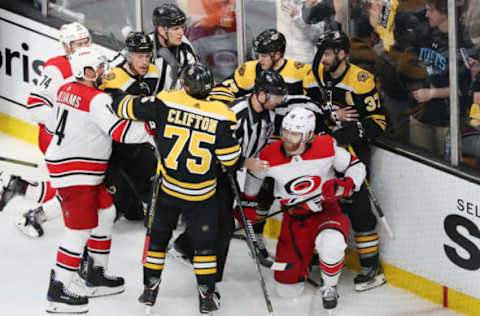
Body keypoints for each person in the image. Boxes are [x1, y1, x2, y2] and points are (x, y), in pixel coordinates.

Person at [109, 63, 242, 315]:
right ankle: (206, 295)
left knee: (158, 241)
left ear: (186, 85)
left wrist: (113, 88)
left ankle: (149, 290)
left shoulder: (166, 100)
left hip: (167, 190)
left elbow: (125, 108)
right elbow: (231, 160)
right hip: (201, 195)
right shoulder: (223, 114)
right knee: (204, 247)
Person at [44, 47, 153, 313]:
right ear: (87, 72)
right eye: (99, 68)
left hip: (74, 165)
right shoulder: (96, 99)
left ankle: (95, 274)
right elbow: (121, 132)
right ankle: (58, 289)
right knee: (79, 230)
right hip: (77, 171)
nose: (104, 71)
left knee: (106, 212)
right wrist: (153, 126)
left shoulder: (67, 88)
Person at [243, 107, 366, 311]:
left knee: (333, 243)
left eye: (295, 134)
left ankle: (330, 287)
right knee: (286, 290)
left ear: (309, 135)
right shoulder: (269, 154)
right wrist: (246, 208)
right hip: (294, 219)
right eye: (286, 132)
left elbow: (356, 167)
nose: (288, 138)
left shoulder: (327, 146)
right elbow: (252, 184)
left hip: (326, 211)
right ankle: (301, 267)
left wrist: (347, 184)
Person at [171, 69, 289, 275]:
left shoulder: (268, 115)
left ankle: (195, 257)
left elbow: (257, 152)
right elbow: (213, 145)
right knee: (218, 219)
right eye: (276, 96)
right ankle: (196, 259)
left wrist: (248, 189)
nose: (279, 101)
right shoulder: (234, 113)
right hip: (210, 169)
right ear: (262, 95)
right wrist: (242, 162)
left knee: (222, 221)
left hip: (231, 171)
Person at [304, 30, 388, 291]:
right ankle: (321, 255)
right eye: (321, 53)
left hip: (352, 151)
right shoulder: (313, 75)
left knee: (358, 204)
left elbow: (379, 122)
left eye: (327, 53)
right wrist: (330, 121)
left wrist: (347, 132)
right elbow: (307, 112)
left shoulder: (360, 80)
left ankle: (372, 266)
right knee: (318, 200)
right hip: (320, 148)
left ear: (342, 54)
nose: (322, 58)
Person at [0, 22, 91, 238]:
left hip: (77, 137)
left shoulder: (90, 62)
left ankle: (19, 187)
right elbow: (35, 106)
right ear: (67, 47)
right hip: (55, 138)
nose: (85, 47)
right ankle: (31, 215)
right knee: (74, 189)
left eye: (87, 42)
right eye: (79, 44)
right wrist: (65, 126)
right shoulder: (56, 68)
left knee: (79, 186)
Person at [99, 31, 159, 220]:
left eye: (147, 56)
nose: (144, 62)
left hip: (136, 142)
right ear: (129, 55)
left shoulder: (153, 72)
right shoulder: (114, 77)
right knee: (114, 210)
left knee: (141, 209)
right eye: (139, 56)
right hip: (111, 146)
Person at [209, 28, 312, 103]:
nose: (259, 60)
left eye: (264, 56)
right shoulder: (248, 69)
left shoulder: (302, 72)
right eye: (258, 55)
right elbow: (220, 91)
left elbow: (315, 105)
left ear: (277, 54)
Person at [150, 3, 198, 91]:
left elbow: (195, 81)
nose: (181, 33)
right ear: (161, 30)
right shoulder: (145, 47)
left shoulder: (185, 48)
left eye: (182, 27)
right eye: (176, 29)